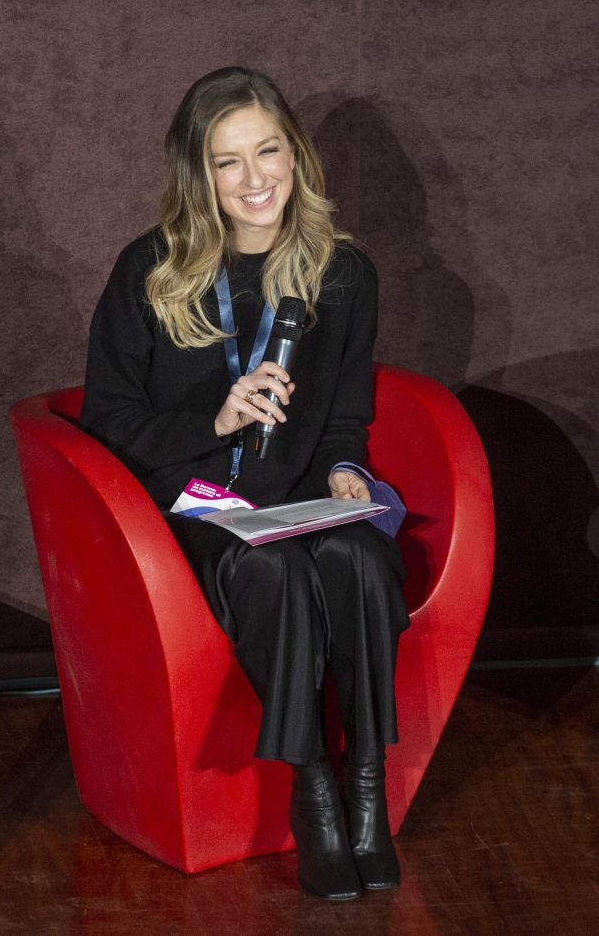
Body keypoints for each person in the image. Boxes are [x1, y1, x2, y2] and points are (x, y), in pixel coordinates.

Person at [80, 67, 407, 899]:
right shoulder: (149, 271)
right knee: (275, 570)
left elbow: (344, 420)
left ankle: (367, 783)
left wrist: (345, 471)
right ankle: (315, 790)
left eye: (269, 151)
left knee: (362, 559)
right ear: (200, 174)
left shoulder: (342, 273)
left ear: (295, 153)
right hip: (190, 509)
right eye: (228, 161)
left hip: (294, 499)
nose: (255, 178)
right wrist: (215, 419)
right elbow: (107, 424)